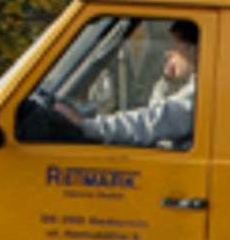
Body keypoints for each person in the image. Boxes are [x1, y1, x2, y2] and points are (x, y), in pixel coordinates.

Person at [63, 20, 198, 148]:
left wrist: (88, 126)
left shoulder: (203, 92)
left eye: (175, 48)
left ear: (195, 49)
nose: (168, 54)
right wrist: (168, 82)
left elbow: (155, 122)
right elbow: (158, 115)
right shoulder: (195, 87)